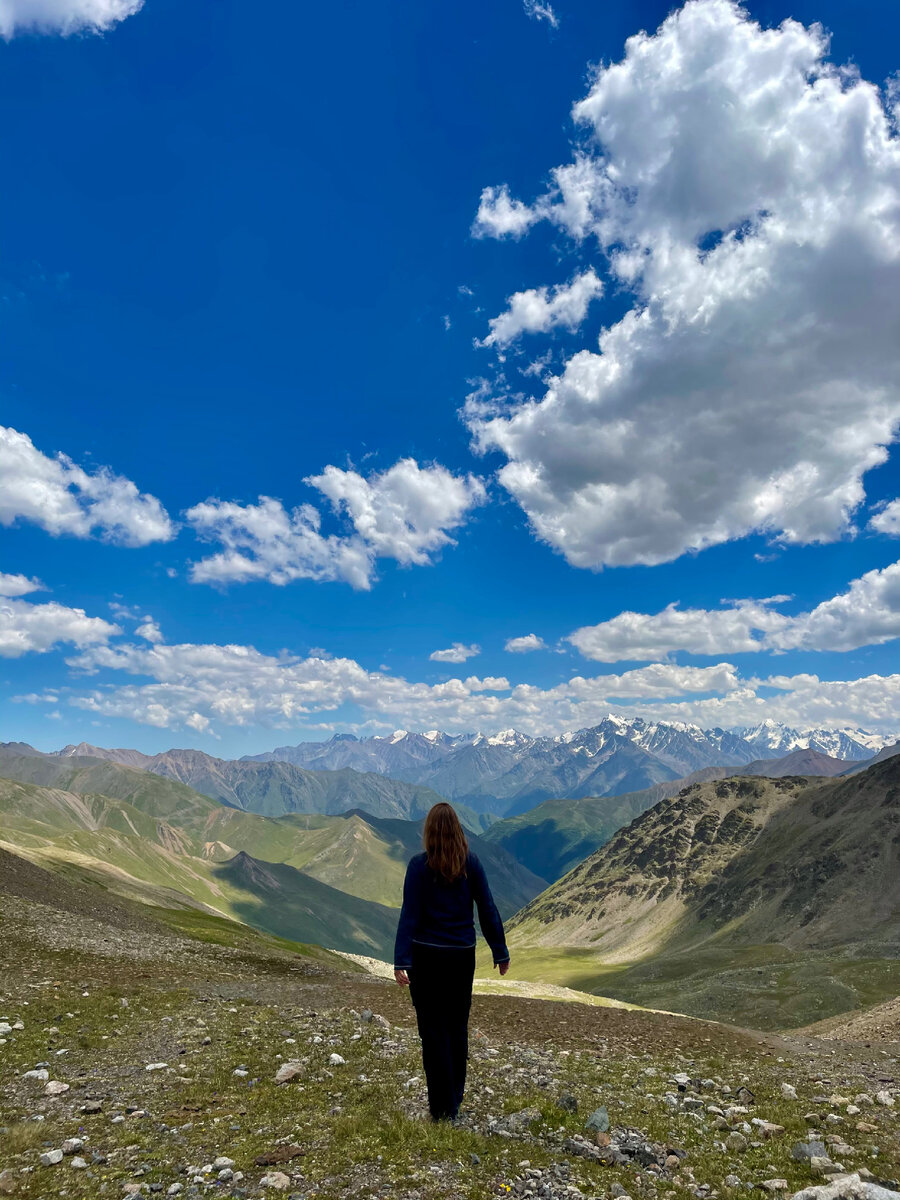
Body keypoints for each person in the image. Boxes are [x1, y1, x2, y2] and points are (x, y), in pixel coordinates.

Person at [393, 801, 510, 1123]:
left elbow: (410, 915)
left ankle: (440, 1107)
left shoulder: (419, 866)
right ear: (459, 830)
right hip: (461, 956)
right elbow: (487, 908)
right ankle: (454, 1101)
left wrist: (401, 960)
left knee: (432, 1032)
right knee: (457, 1028)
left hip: (425, 956)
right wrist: (500, 951)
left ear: (428, 832)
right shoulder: (471, 863)